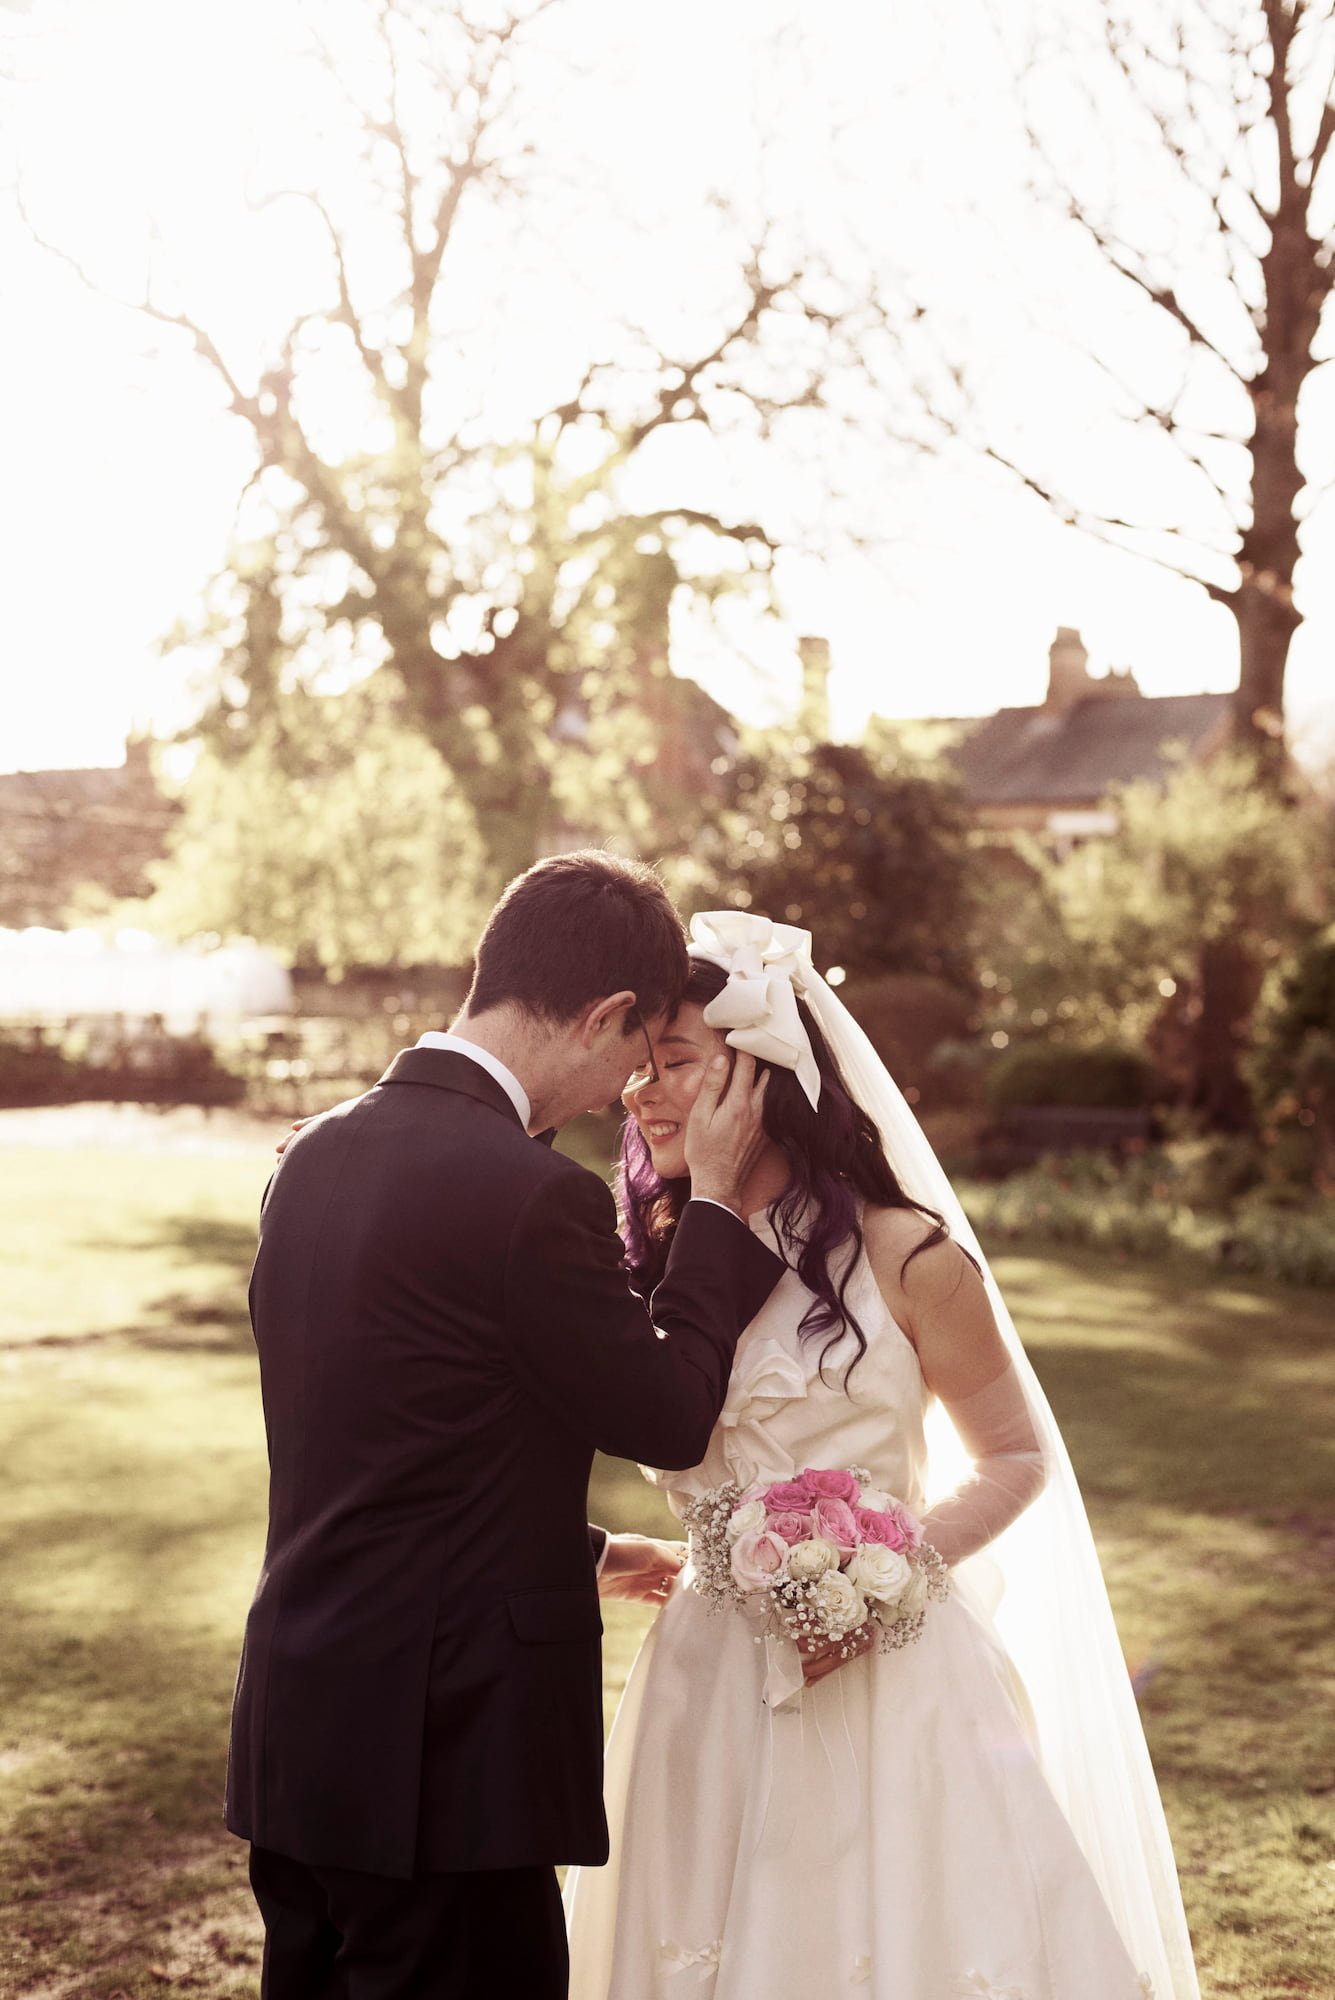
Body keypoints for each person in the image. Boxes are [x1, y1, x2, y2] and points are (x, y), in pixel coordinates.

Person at [565, 911, 1201, 2000]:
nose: (641, 1092)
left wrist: (883, 1573)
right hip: (703, 1681)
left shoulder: (907, 1253)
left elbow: (1013, 1455)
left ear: (765, 1077)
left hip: (891, 1676)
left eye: (676, 1062)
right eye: (637, 1067)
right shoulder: (654, 1259)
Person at [224, 855, 783, 2000]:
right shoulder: (532, 1192)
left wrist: (584, 1552)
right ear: (605, 1014)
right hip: (446, 1764)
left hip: (301, 1731)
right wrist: (721, 1204)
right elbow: (672, 1413)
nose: (626, 1095)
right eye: (636, 1055)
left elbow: (388, 1433)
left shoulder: (309, 1156)